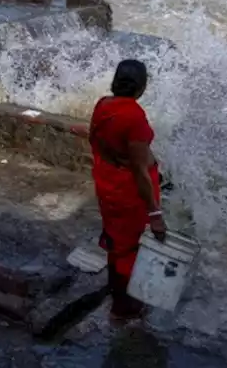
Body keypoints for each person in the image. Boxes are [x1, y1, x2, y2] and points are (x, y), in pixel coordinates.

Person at [90, 59, 166, 322]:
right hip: (128, 193)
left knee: (116, 243)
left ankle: (119, 299)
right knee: (128, 249)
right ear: (141, 87)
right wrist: (155, 213)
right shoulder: (133, 116)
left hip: (108, 184)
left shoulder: (103, 105)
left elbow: (107, 143)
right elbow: (139, 170)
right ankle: (122, 309)